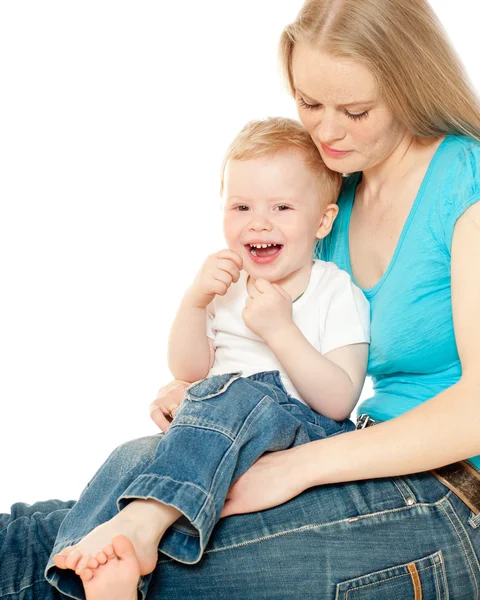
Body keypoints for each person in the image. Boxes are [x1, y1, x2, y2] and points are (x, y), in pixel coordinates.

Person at [1, 0, 480, 598]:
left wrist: (291, 469)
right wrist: (209, 401)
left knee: (74, 567)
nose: (326, 132)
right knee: (74, 505)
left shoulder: (468, 180)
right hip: (357, 452)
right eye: (309, 104)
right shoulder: (335, 198)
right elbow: (290, 354)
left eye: (355, 110)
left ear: (412, 87)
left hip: (454, 498)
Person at [45, 116, 370, 599]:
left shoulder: (333, 290)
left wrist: (281, 331)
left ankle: (140, 527)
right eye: (241, 206)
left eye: (281, 207)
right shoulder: (227, 286)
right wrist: (194, 303)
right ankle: (98, 568)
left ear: (322, 220)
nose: (258, 222)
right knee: (134, 454)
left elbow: (339, 400)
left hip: (299, 435)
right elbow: (189, 371)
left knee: (239, 393)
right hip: (216, 427)